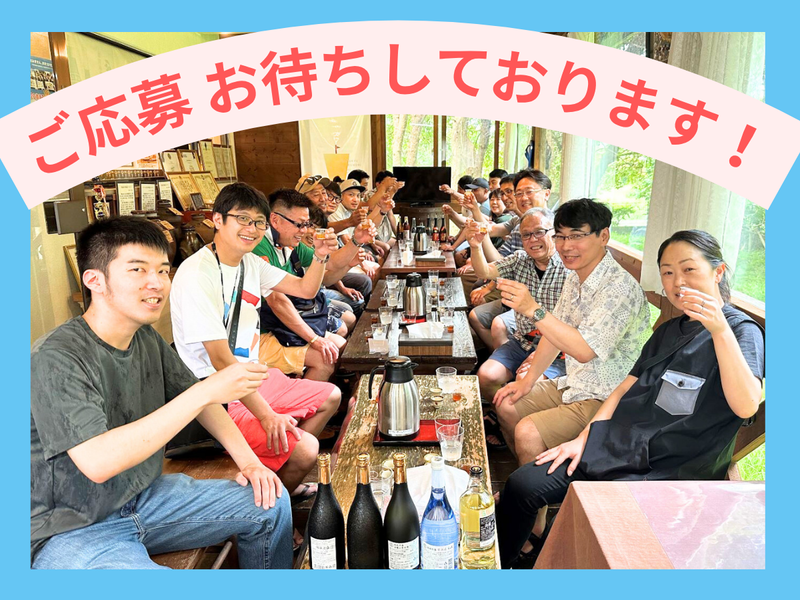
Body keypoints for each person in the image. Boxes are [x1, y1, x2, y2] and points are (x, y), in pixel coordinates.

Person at [31, 217, 293, 569]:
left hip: (143, 498)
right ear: (95, 280)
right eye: (137, 269)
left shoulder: (143, 337)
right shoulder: (56, 356)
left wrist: (249, 463)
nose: (156, 283)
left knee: (270, 501)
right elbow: (97, 462)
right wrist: (206, 391)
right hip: (69, 529)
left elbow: (202, 400)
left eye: (163, 271)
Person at [496, 230, 765, 568]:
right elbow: (623, 388)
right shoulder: (669, 330)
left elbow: (746, 405)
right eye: (667, 272)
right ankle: (500, 565)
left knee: (581, 522)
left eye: (689, 269)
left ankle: (543, 557)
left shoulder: (741, 331)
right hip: (621, 447)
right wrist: (585, 439)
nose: (678, 282)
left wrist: (719, 329)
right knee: (522, 485)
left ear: (718, 272)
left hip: (670, 470)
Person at [170, 183, 341, 510]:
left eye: (258, 222)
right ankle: (268, 509)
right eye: (242, 219)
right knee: (306, 448)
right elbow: (221, 360)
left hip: (250, 378)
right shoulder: (197, 274)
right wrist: (267, 416)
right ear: (217, 219)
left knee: (330, 396)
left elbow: (305, 289)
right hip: (215, 394)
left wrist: (320, 255)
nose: (251, 229)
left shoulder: (249, 262)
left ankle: (281, 479)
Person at [493, 198, 651, 466]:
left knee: (528, 431)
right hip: (576, 383)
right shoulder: (575, 276)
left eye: (577, 236)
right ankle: (527, 475)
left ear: (604, 236)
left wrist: (533, 309)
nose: (566, 246)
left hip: (608, 396)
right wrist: (527, 381)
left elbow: (584, 350)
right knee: (506, 403)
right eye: (561, 236)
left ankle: (537, 489)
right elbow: (553, 334)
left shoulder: (619, 288)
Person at [256, 188, 377, 380]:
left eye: (306, 224)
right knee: (326, 357)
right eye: (299, 224)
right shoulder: (259, 248)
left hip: (289, 317)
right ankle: (306, 396)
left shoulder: (288, 243)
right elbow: (278, 302)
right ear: (275, 220)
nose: (304, 231)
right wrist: (314, 339)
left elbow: (331, 264)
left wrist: (356, 241)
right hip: (265, 328)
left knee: (339, 347)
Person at [466, 208, 567, 403]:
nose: (532, 239)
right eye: (526, 235)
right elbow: (485, 271)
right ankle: (499, 416)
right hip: (523, 341)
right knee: (486, 376)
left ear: (554, 232)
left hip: (558, 350)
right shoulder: (520, 259)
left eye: (539, 232)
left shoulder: (568, 267)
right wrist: (476, 247)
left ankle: (515, 416)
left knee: (525, 383)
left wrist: (540, 355)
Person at [468, 170, 551, 345]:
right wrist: (475, 245)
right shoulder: (517, 222)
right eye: (518, 193)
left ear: (546, 193)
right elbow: (501, 263)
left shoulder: (554, 226)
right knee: (476, 305)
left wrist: (489, 287)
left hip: (540, 304)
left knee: (498, 323)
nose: (522, 198)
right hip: (511, 289)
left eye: (529, 192)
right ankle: (502, 355)